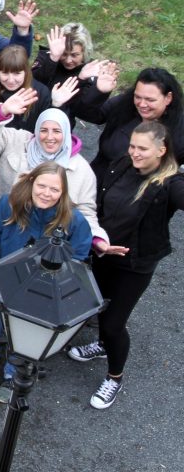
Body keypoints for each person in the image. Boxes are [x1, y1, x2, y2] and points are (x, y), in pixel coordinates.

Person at [67, 121, 184, 410]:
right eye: (132, 146)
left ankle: (114, 377)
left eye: (143, 148)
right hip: (104, 253)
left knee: (112, 323)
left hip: (134, 266)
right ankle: (103, 346)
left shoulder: (170, 183)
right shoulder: (122, 164)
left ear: (162, 150)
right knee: (88, 303)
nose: (135, 153)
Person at [0, 162, 93, 403]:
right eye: (42, 186)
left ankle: (12, 374)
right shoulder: (9, 203)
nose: (46, 193)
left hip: (39, 296)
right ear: (31, 182)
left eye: (54, 190)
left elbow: (78, 264)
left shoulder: (74, 221)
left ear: (63, 192)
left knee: (24, 340)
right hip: (2, 288)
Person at [0, 96, 101, 232]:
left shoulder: (82, 169)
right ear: (36, 130)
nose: (49, 137)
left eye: (57, 131)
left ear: (66, 133)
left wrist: (97, 238)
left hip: (40, 241)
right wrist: (2, 111)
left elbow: (86, 211)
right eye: (43, 130)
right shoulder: (17, 140)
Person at [71, 66, 184, 177]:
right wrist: (98, 92)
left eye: (150, 100)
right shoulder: (124, 105)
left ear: (168, 98)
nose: (142, 104)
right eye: (138, 97)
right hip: (98, 182)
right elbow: (87, 114)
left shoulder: (179, 128)